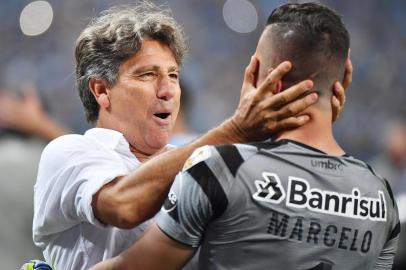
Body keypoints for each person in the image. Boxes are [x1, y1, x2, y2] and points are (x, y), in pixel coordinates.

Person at [32, 2, 350, 270]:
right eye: (147, 74)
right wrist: (238, 129)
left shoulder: (194, 158)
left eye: (173, 75)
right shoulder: (70, 151)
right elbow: (123, 206)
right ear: (102, 90)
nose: (168, 89)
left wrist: (307, 124)